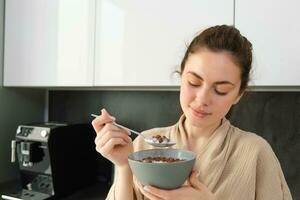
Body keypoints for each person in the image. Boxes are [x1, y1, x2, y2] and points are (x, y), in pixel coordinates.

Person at [92, 25, 292, 200]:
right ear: (181, 76)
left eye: (221, 90)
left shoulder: (256, 153)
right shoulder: (143, 145)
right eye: (194, 82)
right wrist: (124, 166)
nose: (202, 99)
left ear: (239, 95)